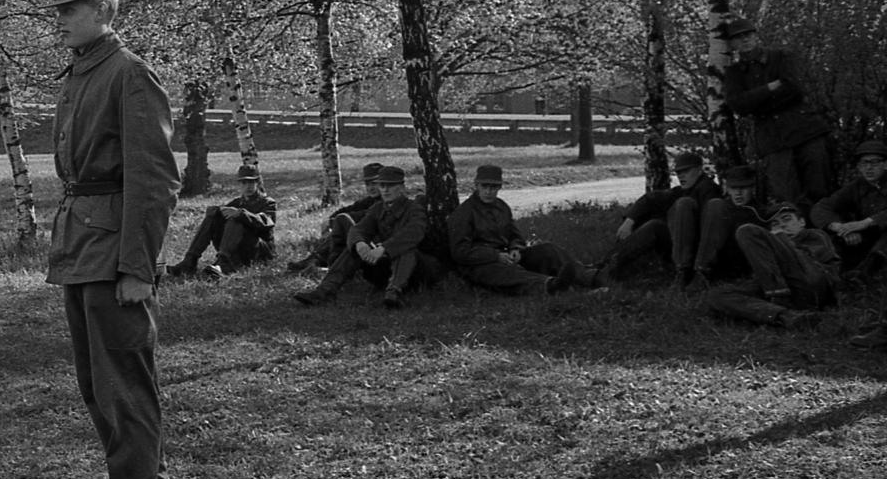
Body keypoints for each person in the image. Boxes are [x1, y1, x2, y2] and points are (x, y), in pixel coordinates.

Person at [43, 0, 180, 479]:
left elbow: (155, 179)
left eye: (70, 8)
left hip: (114, 256)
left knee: (124, 398)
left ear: (103, 8)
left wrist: (137, 268)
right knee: (104, 395)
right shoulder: (84, 71)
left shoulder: (128, 73)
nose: (59, 19)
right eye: (57, 9)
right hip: (82, 248)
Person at [720, 18, 834, 208]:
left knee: (819, 187)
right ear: (732, 44)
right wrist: (770, 87)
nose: (744, 40)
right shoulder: (735, 73)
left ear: (755, 36)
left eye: (748, 35)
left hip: (804, 128)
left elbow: (795, 89)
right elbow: (738, 104)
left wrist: (754, 100)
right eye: (738, 38)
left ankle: (823, 226)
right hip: (772, 137)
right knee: (786, 194)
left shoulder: (781, 57)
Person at [293, 165, 443, 308]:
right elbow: (359, 229)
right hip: (386, 269)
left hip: (417, 272)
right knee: (353, 249)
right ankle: (324, 291)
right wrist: (360, 244)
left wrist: (384, 249)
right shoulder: (377, 208)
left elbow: (414, 233)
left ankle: (395, 293)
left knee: (406, 250)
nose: (385, 190)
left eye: (390, 186)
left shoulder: (414, 208)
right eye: (382, 186)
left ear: (402, 187)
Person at [447, 164, 600, 294]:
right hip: (481, 265)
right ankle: (551, 285)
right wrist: (495, 256)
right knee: (509, 273)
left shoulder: (502, 207)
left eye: (493, 187)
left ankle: (591, 276)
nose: (488, 191)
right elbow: (460, 252)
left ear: (500, 187)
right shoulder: (464, 213)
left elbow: (515, 235)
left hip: (506, 256)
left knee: (548, 250)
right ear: (476, 185)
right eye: (484, 186)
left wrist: (516, 249)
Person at [705, 202, 838, 330]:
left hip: (812, 285)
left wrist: (780, 238)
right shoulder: (773, 246)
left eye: (787, 219)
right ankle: (787, 316)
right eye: (775, 224)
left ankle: (779, 297)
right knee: (717, 295)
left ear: (801, 222)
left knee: (746, 230)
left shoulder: (814, 235)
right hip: (789, 291)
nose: (782, 226)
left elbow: (811, 262)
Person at [602, 151, 724, 288]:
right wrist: (629, 221)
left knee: (660, 222)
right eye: (678, 173)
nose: (681, 176)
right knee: (655, 225)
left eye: (686, 171)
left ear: (699, 170)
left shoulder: (708, 190)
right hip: (683, 247)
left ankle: (606, 267)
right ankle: (607, 265)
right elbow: (651, 199)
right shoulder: (686, 190)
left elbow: (708, 230)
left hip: (697, 251)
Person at [166, 161, 276, 278]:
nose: (248, 186)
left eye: (251, 182)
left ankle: (223, 263)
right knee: (213, 217)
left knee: (236, 219)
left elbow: (266, 222)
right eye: (244, 182)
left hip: (259, 251)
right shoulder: (236, 203)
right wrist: (216, 212)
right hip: (239, 250)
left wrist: (241, 214)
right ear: (239, 184)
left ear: (258, 183)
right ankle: (190, 261)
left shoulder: (268, 203)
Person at [811, 139, 887, 281]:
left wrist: (866, 222)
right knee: (830, 241)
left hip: (882, 241)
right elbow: (822, 207)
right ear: (858, 166)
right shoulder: (856, 186)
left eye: (875, 162)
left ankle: (866, 273)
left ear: (885, 164)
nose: (869, 168)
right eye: (864, 163)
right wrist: (841, 228)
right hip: (868, 239)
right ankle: (832, 276)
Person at [285, 162, 383, 271]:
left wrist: (337, 221)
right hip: (364, 241)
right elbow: (349, 209)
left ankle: (325, 263)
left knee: (343, 223)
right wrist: (330, 220)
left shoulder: (386, 202)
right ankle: (316, 261)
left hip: (377, 247)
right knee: (340, 225)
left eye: (374, 183)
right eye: (367, 184)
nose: (370, 188)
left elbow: (363, 216)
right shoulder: (371, 200)